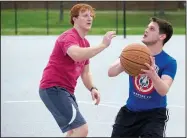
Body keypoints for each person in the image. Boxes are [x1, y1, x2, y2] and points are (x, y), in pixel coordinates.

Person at [39, 3, 116, 137]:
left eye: (91, 15)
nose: (90, 18)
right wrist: (103, 45)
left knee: (73, 131)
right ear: (74, 19)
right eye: (85, 15)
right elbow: (76, 54)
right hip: (54, 88)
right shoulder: (68, 37)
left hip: (66, 91)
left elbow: (85, 72)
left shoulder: (85, 43)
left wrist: (92, 88)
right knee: (82, 129)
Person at [108, 17, 177, 137]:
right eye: (147, 27)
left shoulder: (169, 62)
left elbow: (163, 90)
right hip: (129, 112)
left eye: (151, 29)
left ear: (162, 36)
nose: (146, 30)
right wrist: (127, 61)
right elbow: (111, 72)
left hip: (154, 116)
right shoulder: (132, 52)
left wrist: (153, 74)